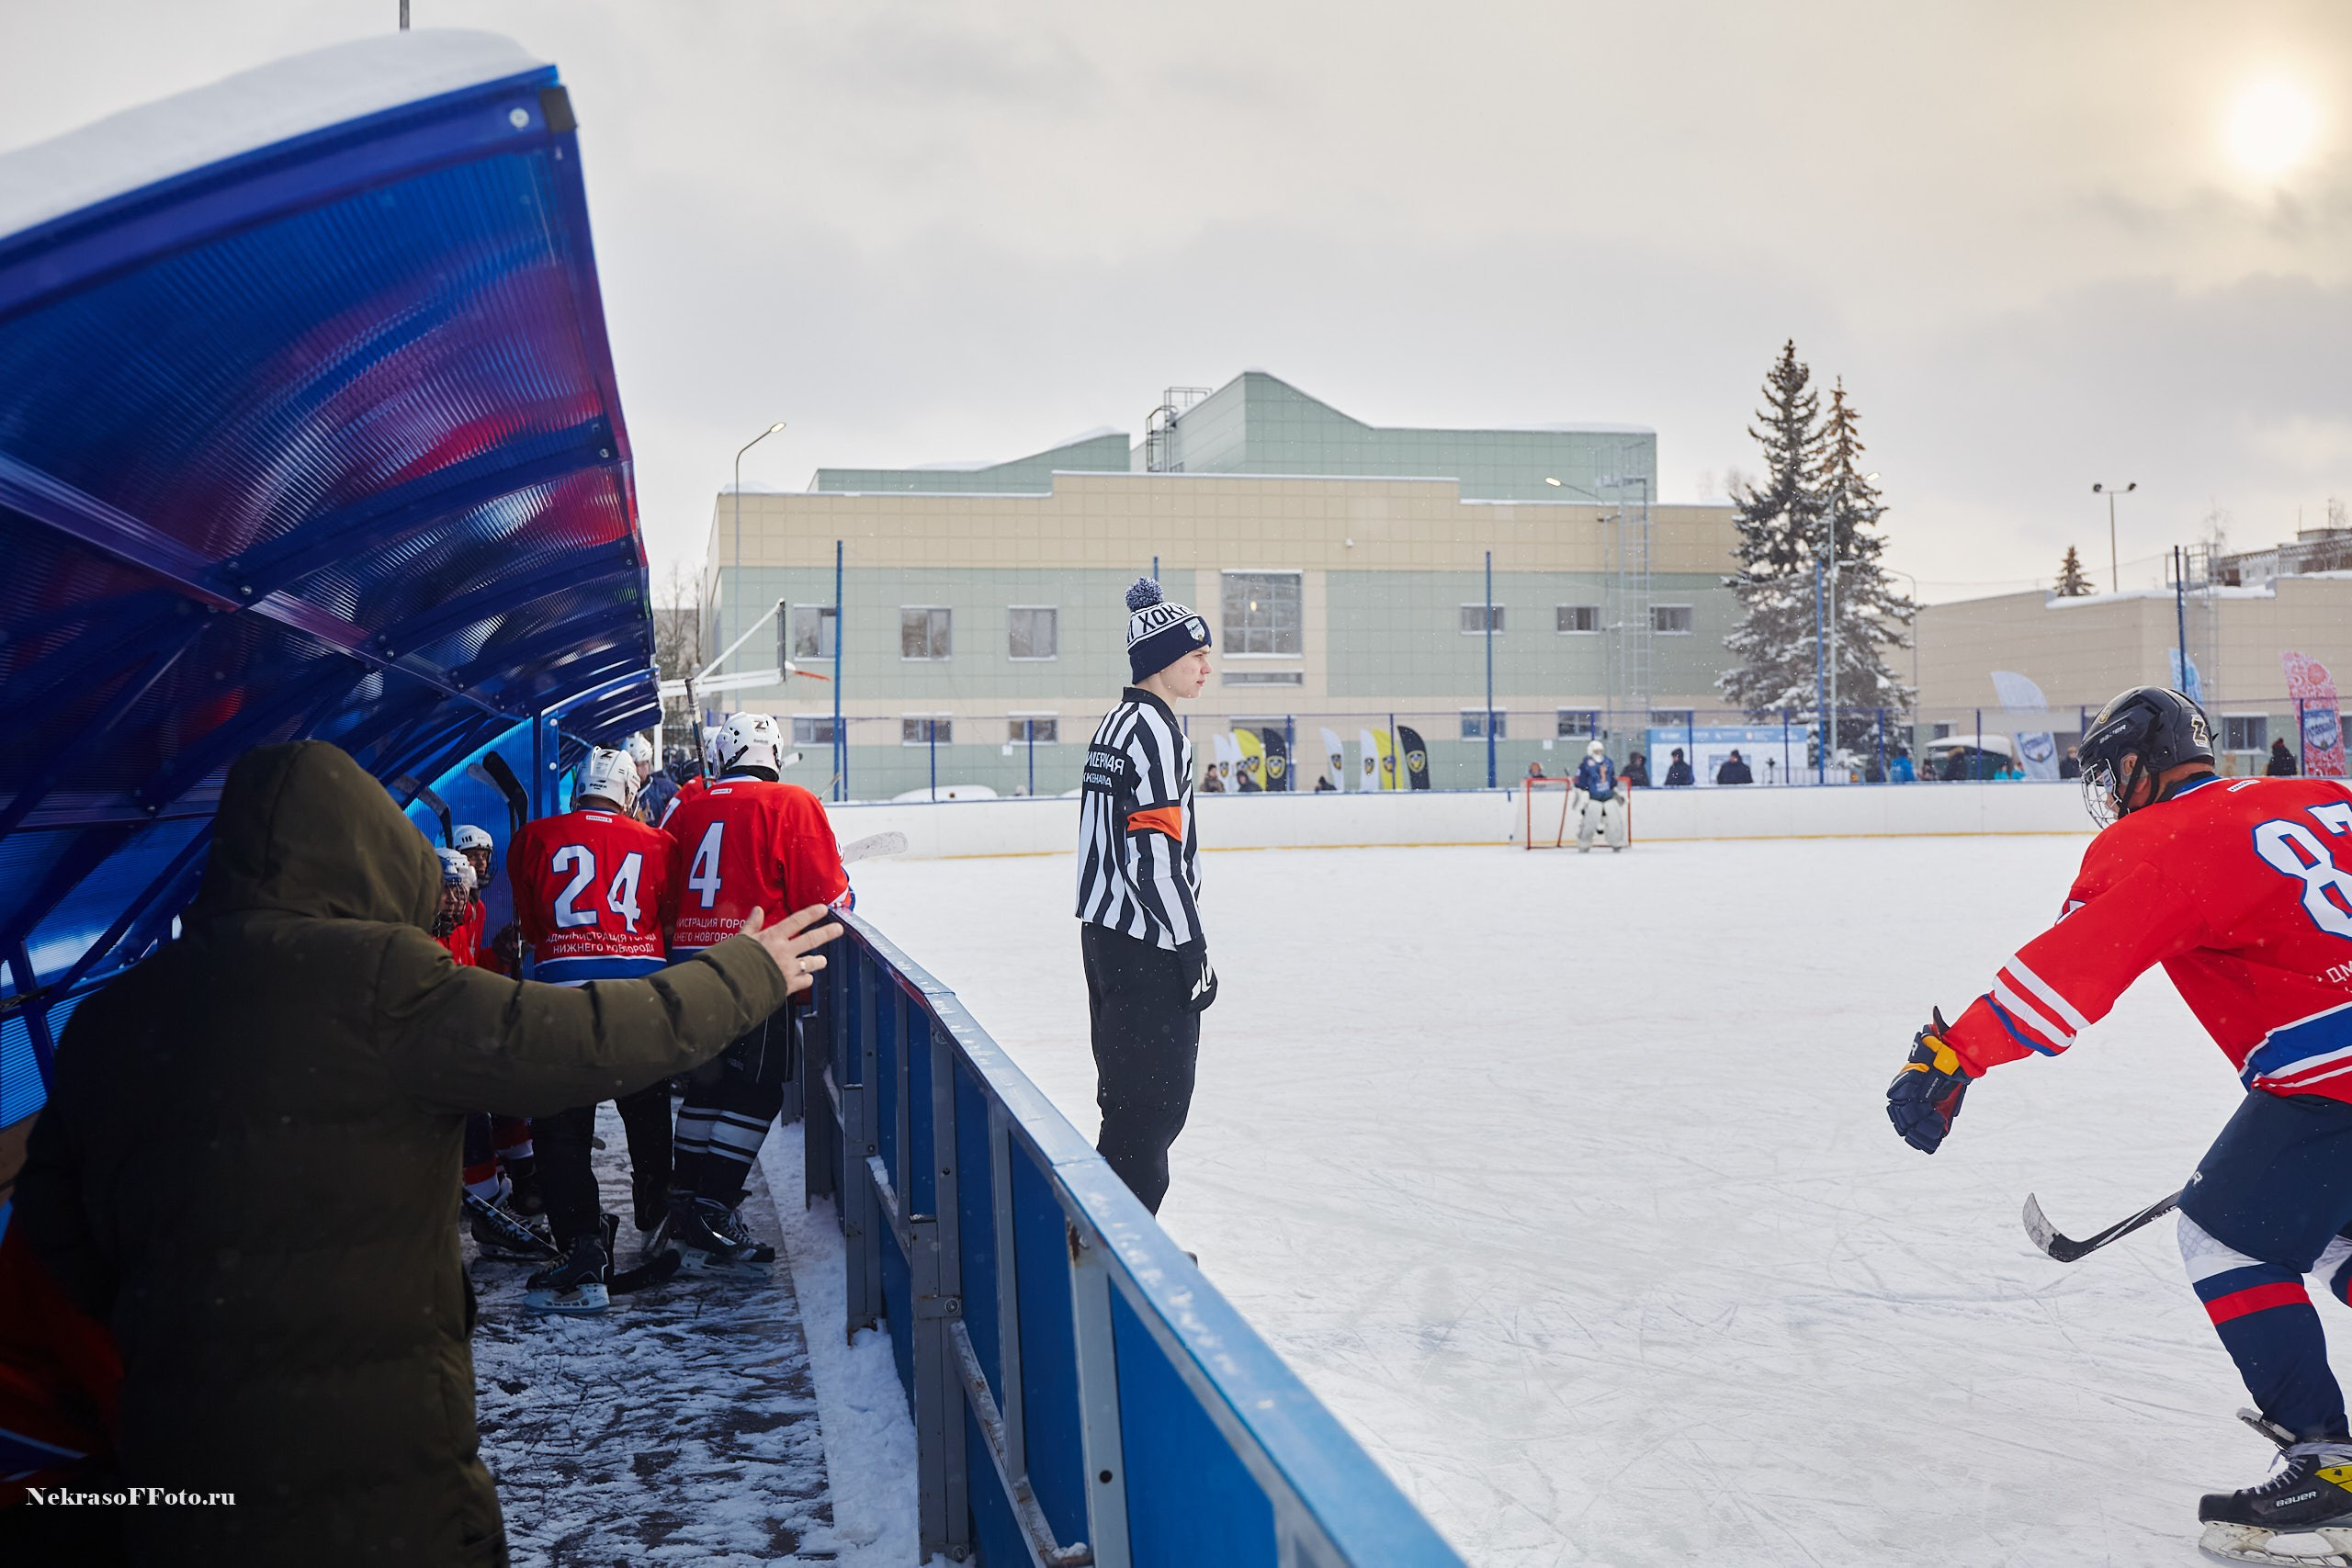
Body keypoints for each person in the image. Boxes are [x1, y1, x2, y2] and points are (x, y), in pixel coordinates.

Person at [9, 740, 839, 1566]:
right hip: (383, 1482)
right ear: (372, 854)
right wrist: (745, 975)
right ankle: (657, 1212)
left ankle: (587, 1245)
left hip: (184, 1492)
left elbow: (49, 1272)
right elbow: (587, 1038)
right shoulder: (389, 984)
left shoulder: (111, 1021)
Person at [1883, 686, 2352, 1560]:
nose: (2108, 791)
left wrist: (1955, 1055)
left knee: (2227, 1237)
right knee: (2328, 1231)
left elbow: (2065, 975)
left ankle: (2331, 1470)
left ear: (2139, 764)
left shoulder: (2158, 838)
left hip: (2331, 1073)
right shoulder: (2324, 794)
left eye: (2111, 772)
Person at [661, 712, 851, 1270]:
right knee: (757, 1093)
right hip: (754, 968)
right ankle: (712, 1208)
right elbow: (825, 898)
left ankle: (685, 1198)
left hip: (691, 969)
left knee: (707, 1089)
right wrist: (848, 892)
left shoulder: (690, 806)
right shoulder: (792, 803)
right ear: (775, 755)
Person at [506, 746, 681, 1312]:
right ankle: (655, 1201)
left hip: (562, 998)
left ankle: (582, 1243)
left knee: (561, 1128)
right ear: (628, 793)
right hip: (637, 999)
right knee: (647, 1106)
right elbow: (667, 918)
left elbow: (534, 925)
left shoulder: (535, 838)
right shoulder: (659, 842)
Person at [1076, 578, 1217, 1213]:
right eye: (1197, 656)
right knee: (1152, 1113)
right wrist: (1192, 948)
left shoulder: (1115, 723)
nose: (1206, 668)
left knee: (1126, 1105)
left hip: (1105, 939)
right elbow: (1154, 856)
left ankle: (1101, 1240)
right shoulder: (1157, 733)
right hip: (1147, 946)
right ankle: (1116, 1249)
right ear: (1162, 659)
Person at [1570, 739, 1627, 852]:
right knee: (1589, 824)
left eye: (1600, 751)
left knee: (1615, 823)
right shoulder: (1585, 764)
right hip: (1593, 798)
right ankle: (1584, 844)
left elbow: (1612, 779)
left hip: (1608, 797)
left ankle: (1617, 843)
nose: (1598, 753)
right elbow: (1581, 781)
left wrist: (1615, 791)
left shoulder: (1608, 762)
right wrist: (1581, 790)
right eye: (1596, 751)